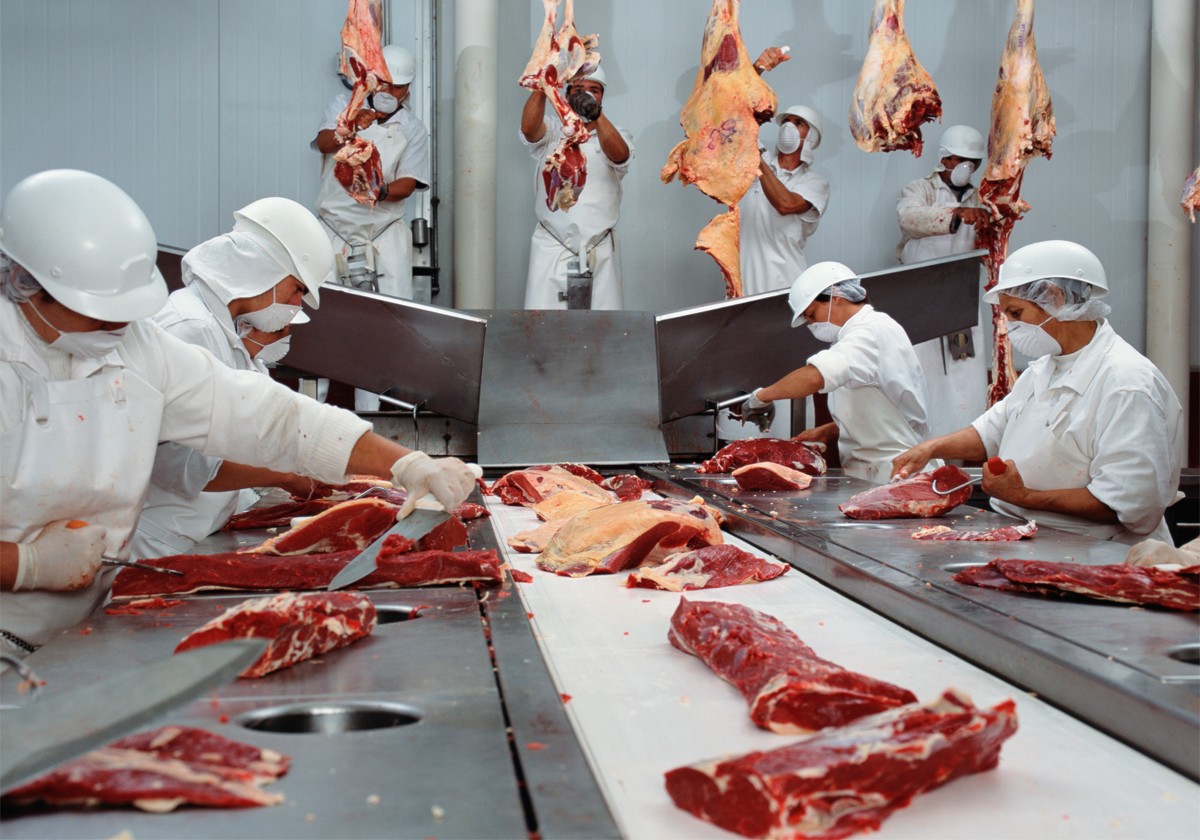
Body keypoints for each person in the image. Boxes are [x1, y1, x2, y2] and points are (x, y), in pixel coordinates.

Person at [0, 170, 477, 656]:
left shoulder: (137, 346)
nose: (116, 326)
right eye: (98, 310)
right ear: (23, 282)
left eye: (125, 310)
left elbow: (263, 414)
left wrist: (404, 463)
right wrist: (27, 564)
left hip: (89, 622)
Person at [892, 240, 1185, 545]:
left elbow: (1128, 504)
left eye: (1016, 313)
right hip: (1032, 539)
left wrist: (1025, 496)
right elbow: (991, 433)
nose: (1009, 327)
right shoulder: (1042, 370)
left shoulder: (1126, 383)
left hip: (1100, 555)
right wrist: (929, 449)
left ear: (1054, 298)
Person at [131, 197, 337, 559]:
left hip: (198, 533)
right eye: (298, 290)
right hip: (163, 543)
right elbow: (180, 466)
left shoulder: (222, 331)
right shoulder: (189, 327)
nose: (296, 305)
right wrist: (285, 473)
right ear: (264, 272)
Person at [739, 262, 933, 483]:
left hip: (895, 473)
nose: (812, 324)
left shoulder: (870, 332)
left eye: (812, 315)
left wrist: (760, 397)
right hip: (875, 473)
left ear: (836, 297)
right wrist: (829, 431)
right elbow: (882, 414)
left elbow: (813, 377)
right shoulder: (856, 336)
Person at [313, 44, 429, 301]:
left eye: (397, 87)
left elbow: (408, 184)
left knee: (390, 317)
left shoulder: (414, 128)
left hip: (384, 233)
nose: (388, 91)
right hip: (334, 230)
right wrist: (350, 125)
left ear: (408, 88)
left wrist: (376, 190)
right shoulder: (343, 105)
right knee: (329, 316)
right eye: (383, 83)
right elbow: (323, 143)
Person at [520, 64, 633, 310]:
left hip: (599, 248)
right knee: (544, 329)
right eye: (579, 89)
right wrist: (545, 86)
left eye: (595, 90)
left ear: (602, 96)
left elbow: (619, 154)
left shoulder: (615, 133)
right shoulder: (552, 131)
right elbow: (529, 130)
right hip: (551, 247)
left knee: (603, 331)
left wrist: (596, 114)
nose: (587, 94)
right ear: (568, 92)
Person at [737, 104, 830, 296]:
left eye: (798, 123)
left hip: (784, 283)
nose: (789, 126)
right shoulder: (757, 159)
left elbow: (786, 204)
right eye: (786, 121)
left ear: (811, 136)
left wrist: (757, 159)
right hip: (742, 279)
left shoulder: (815, 183)